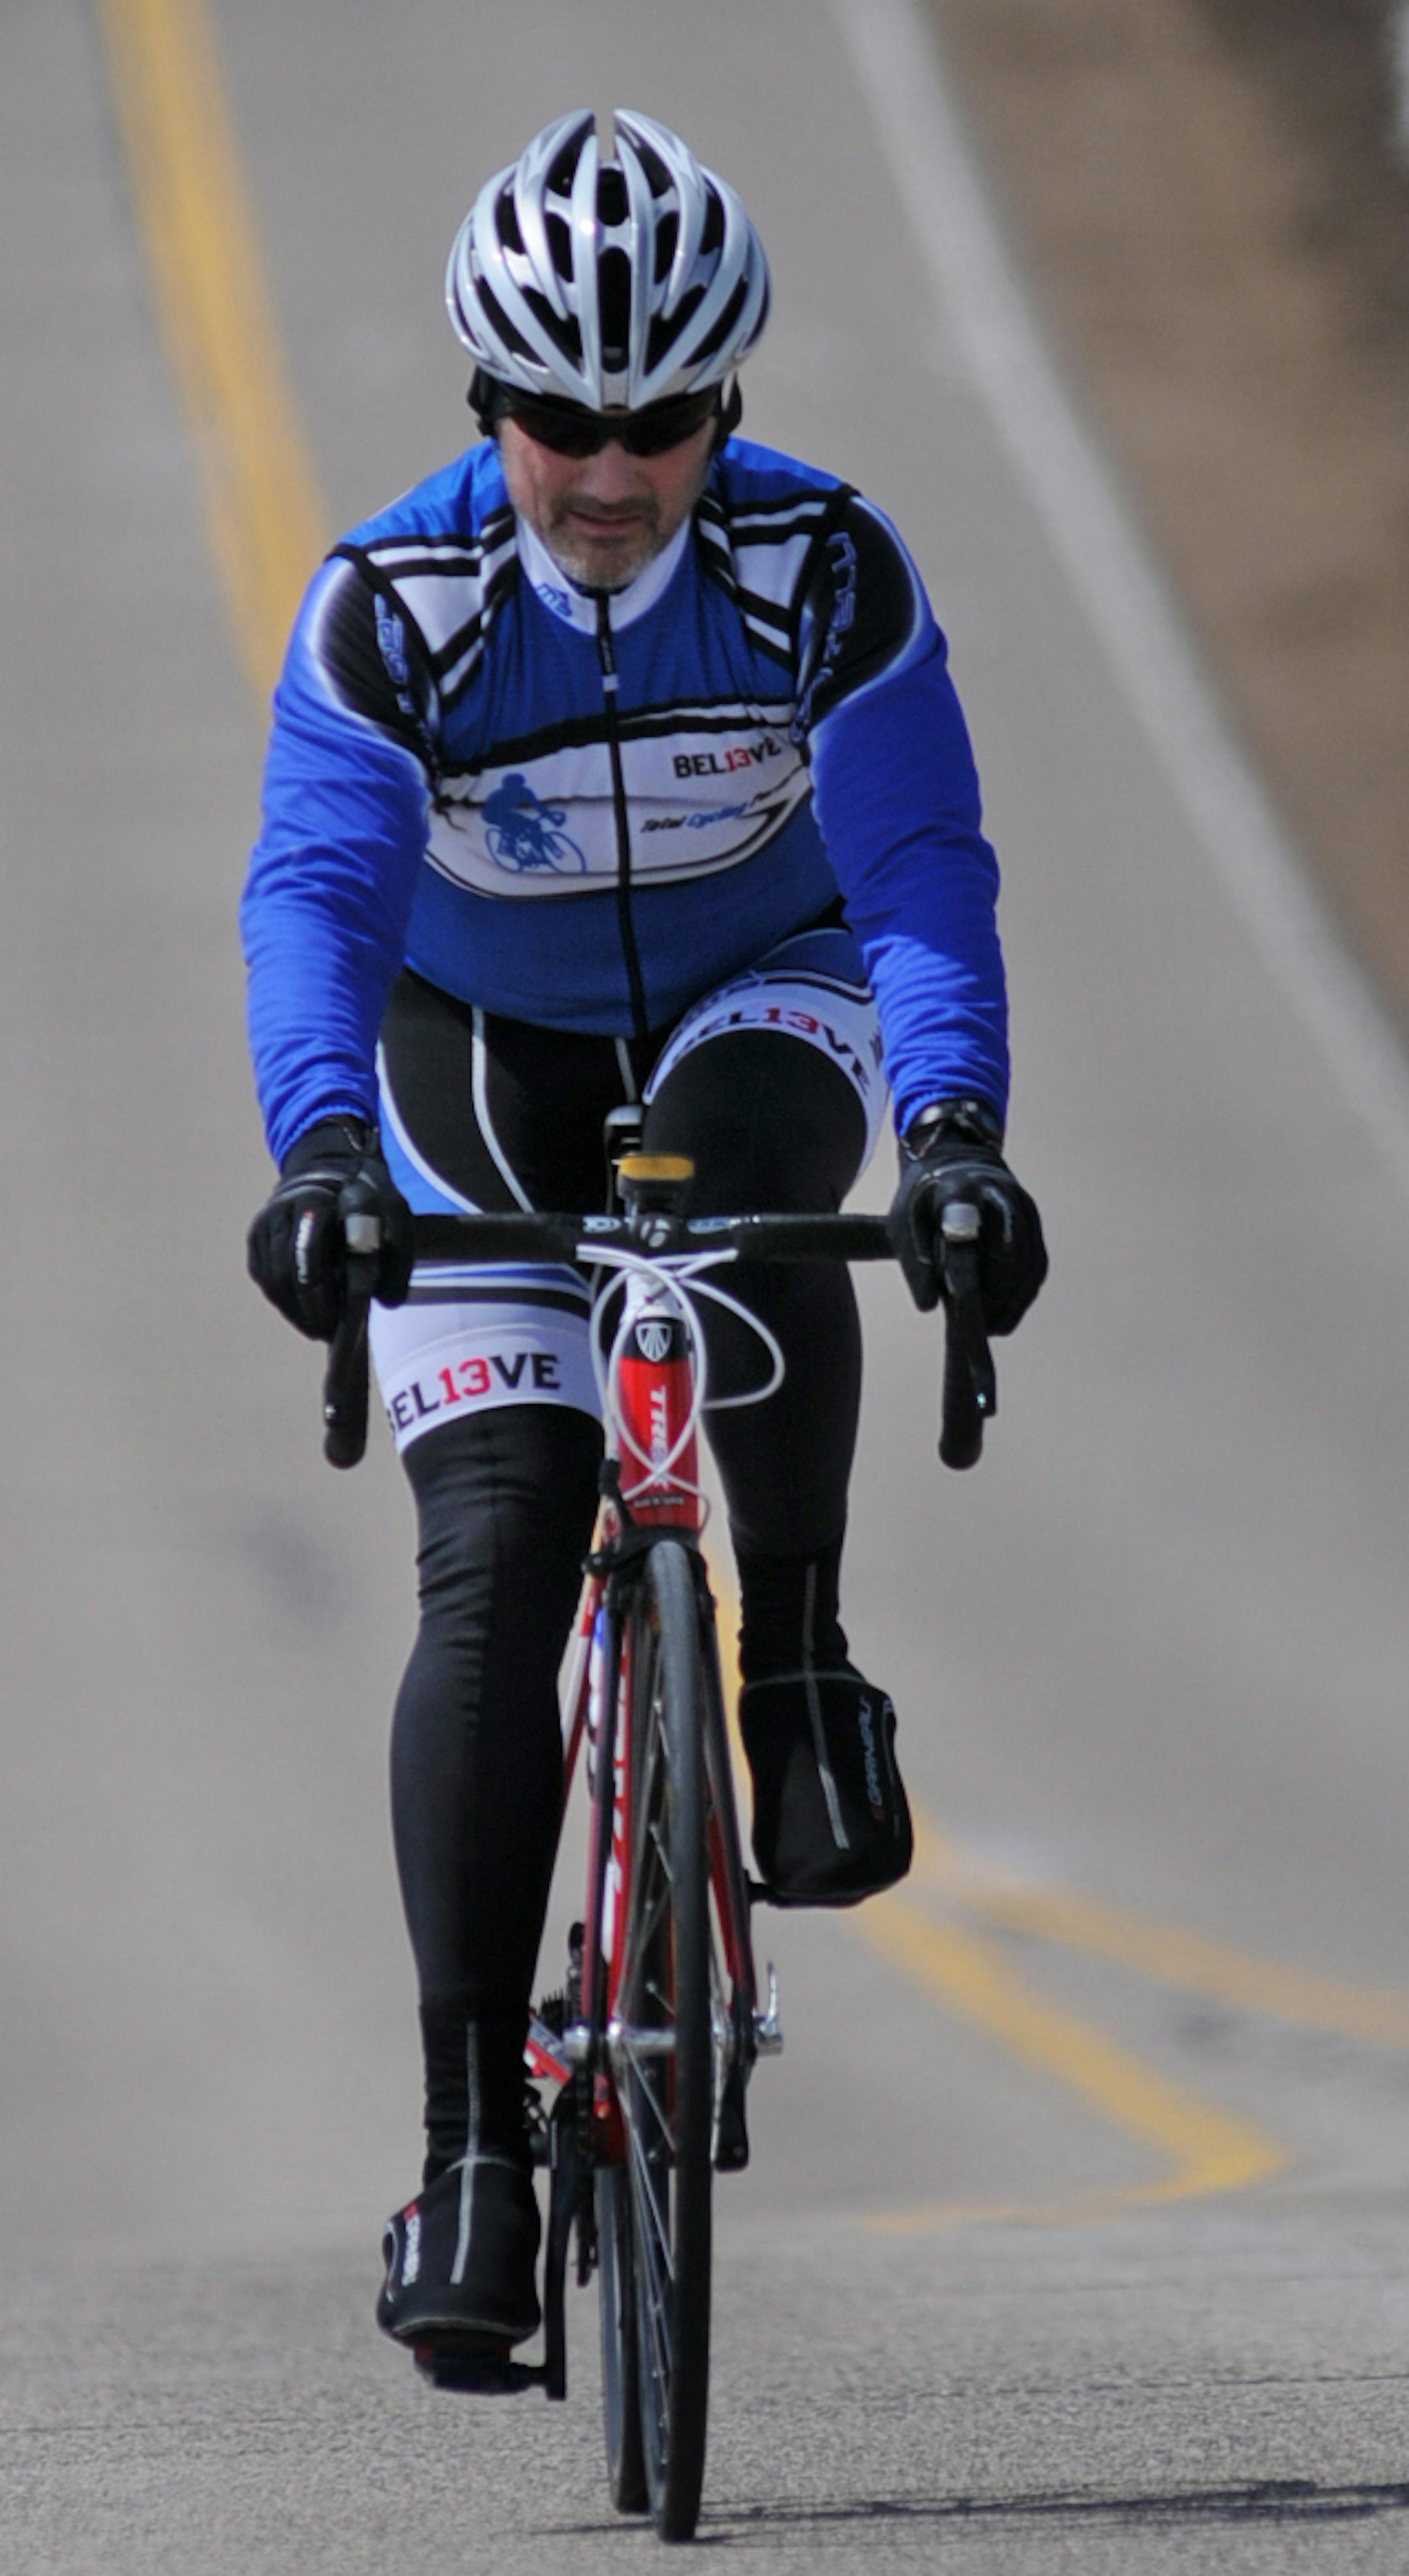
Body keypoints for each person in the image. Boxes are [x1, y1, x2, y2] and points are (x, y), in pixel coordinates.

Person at [242, 108, 1046, 2365]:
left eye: (664, 420)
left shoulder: (822, 570)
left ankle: (788, 1650)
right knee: (495, 1548)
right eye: (562, 422)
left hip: (748, 990)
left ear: (727, 403)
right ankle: (474, 2146)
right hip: (469, 1039)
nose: (611, 473)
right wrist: (319, 1155)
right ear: (486, 404)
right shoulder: (392, 605)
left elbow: (918, 873)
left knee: (750, 1169)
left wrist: (964, 1127)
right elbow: (313, 896)